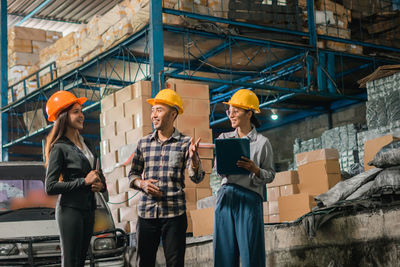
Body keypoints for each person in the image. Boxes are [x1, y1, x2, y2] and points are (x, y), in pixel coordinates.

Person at [128, 88, 205, 267]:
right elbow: (132, 175)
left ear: (173, 114)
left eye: (159, 110)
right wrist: (142, 183)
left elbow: (197, 177)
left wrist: (193, 159)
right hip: (146, 213)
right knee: (144, 262)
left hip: (174, 214)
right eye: (152, 110)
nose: (153, 115)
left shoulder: (185, 143)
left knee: (175, 263)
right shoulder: (143, 143)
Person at [213, 89, 275, 267]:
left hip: (249, 198)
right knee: (224, 252)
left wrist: (255, 170)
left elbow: (270, 174)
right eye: (229, 110)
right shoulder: (224, 138)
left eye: (235, 111)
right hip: (225, 197)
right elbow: (218, 170)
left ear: (249, 113)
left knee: (250, 252)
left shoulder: (262, 142)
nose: (230, 115)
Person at [44, 91, 107, 267]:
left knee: (81, 261)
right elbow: (50, 186)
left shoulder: (86, 143)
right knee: (71, 262)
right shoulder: (59, 148)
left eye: (81, 111)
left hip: (88, 209)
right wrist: (83, 182)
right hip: (70, 211)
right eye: (76, 112)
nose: (82, 115)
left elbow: (96, 173)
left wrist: (100, 185)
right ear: (64, 117)